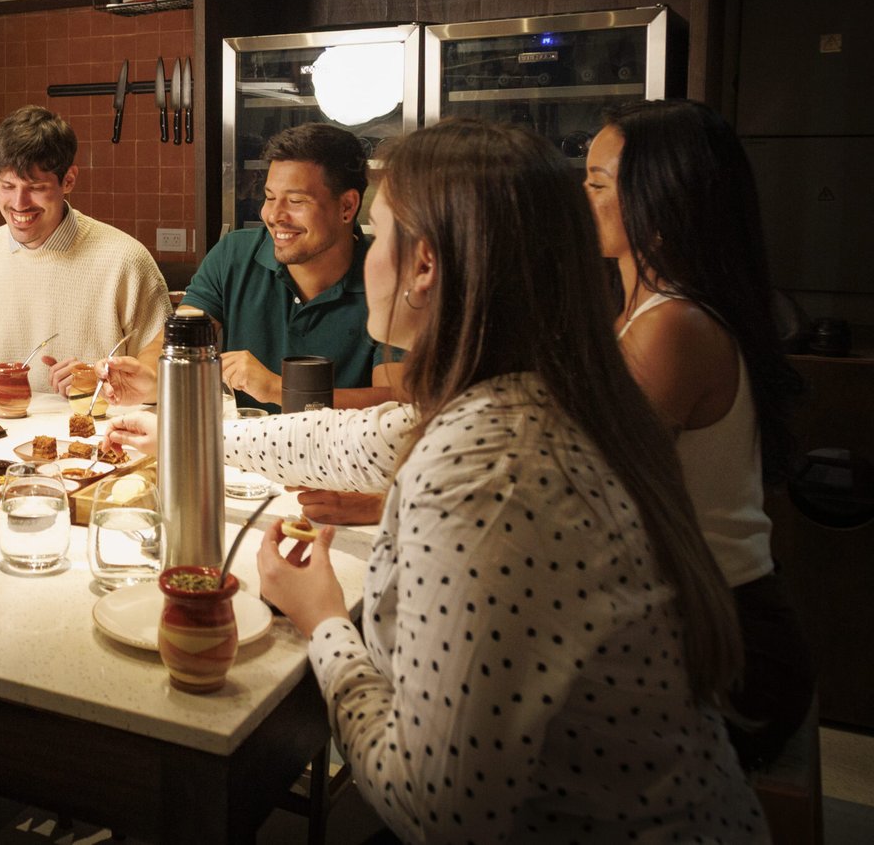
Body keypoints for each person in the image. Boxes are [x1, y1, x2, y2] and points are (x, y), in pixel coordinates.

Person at [108, 119, 765, 841]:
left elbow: (440, 805)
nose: (367, 262)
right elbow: (344, 437)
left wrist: (323, 617)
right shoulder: (527, 388)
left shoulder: (490, 467)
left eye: (379, 234)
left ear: (423, 265)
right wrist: (191, 435)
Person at [586, 98, 814, 769]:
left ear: (661, 197)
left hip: (728, 649)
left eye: (598, 183)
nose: (584, 197)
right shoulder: (633, 312)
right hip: (678, 625)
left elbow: (580, 488)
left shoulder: (672, 326)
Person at [97, 123, 394, 413]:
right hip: (243, 454)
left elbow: (396, 402)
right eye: (269, 197)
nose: (274, 215)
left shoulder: (391, 275)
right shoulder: (234, 254)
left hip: (344, 457)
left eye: (295, 200)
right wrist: (151, 376)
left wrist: (278, 388)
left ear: (347, 207)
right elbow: (178, 337)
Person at [0, 105, 170, 393]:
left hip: (94, 433)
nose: (19, 203)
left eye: (36, 187)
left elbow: (170, 374)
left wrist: (104, 385)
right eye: (7, 186)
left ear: (68, 180)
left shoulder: (126, 260)